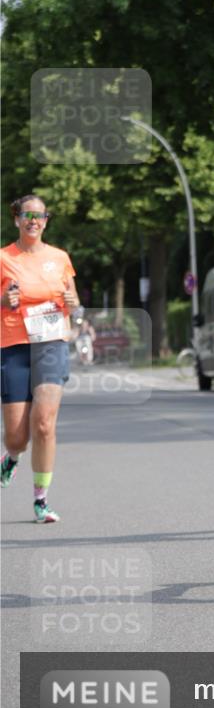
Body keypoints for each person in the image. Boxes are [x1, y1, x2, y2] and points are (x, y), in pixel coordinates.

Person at [1, 195, 79, 522]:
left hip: (51, 343)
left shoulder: (60, 258)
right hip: (14, 345)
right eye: (27, 215)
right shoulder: (3, 258)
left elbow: (71, 300)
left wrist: (73, 301)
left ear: (46, 221)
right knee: (18, 435)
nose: (34, 220)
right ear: (17, 219)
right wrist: (4, 299)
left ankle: (40, 500)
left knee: (45, 424)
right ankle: (12, 456)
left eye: (40, 215)